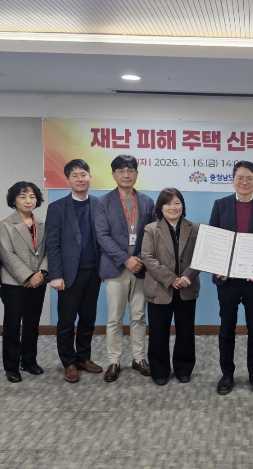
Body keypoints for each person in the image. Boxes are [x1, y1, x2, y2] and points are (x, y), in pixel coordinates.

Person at [208, 161, 253, 396]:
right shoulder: (220, 205)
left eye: (249, 178)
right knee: (227, 327)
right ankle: (227, 373)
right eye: (240, 178)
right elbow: (214, 241)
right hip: (226, 280)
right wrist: (218, 267)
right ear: (233, 180)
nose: (244, 182)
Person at [96, 154, 156, 382]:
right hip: (115, 267)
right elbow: (102, 236)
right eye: (121, 171)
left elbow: (151, 234)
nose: (126, 175)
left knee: (139, 316)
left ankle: (139, 358)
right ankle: (114, 360)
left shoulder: (147, 202)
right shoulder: (103, 202)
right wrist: (125, 259)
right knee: (115, 317)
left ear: (137, 174)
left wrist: (138, 258)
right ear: (113, 175)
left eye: (130, 170)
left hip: (141, 268)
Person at [46, 159, 103, 383]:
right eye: (75, 176)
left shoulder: (99, 204)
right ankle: (68, 362)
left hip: (94, 272)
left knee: (88, 319)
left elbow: (104, 239)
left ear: (90, 177)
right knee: (67, 321)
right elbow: (52, 243)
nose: (80, 179)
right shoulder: (57, 207)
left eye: (83, 174)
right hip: (69, 274)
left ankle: (83, 358)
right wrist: (56, 275)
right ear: (68, 180)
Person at [142, 188, 200, 386]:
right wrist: (171, 278)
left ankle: (184, 368)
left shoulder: (194, 228)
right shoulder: (151, 229)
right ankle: (159, 370)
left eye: (177, 203)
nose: (172, 207)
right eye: (168, 203)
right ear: (161, 207)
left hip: (187, 287)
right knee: (158, 332)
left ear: (182, 205)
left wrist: (187, 276)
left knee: (186, 331)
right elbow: (148, 258)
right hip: (160, 287)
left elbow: (200, 256)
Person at [0, 182, 49, 383]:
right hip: (14, 283)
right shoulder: (6, 225)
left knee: (32, 324)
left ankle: (29, 361)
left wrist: (41, 273)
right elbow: (7, 255)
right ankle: (11, 366)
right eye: (23, 196)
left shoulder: (42, 224)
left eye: (32, 197)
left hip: (39, 281)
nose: (28, 201)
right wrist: (28, 276)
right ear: (14, 200)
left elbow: (48, 251)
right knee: (12, 326)